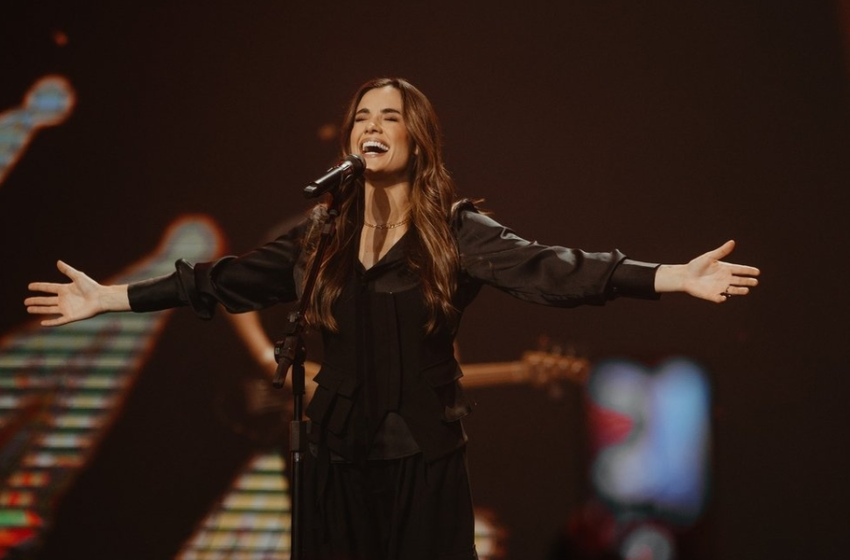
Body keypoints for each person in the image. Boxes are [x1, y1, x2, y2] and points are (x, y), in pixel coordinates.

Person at [24, 77, 760, 560]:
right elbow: (226, 281)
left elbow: (553, 270)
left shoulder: (454, 230)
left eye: (389, 118)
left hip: (422, 461)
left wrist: (668, 277)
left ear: (416, 140)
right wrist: (110, 298)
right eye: (361, 118)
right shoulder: (321, 236)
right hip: (333, 459)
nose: (372, 127)